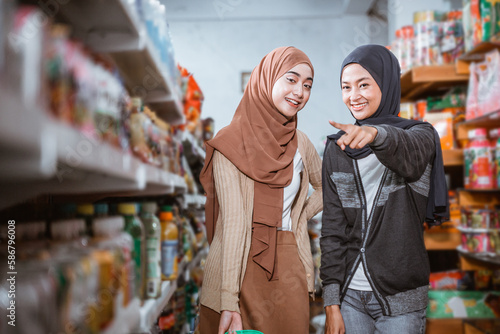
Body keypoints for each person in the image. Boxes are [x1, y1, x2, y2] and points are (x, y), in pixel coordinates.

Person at [320, 44, 449, 334]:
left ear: (387, 82)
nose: (354, 96)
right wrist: (331, 303)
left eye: (364, 84)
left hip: (401, 301)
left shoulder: (420, 135)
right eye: (346, 87)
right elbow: (332, 229)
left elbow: (409, 157)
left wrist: (375, 134)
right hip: (349, 297)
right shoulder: (338, 147)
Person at [198, 46, 323, 334]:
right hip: (236, 265)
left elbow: (325, 187)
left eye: (308, 85)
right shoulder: (229, 142)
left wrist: (299, 215)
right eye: (291, 79)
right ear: (266, 79)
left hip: (288, 262)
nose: (300, 92)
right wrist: (228, 299)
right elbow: (233, 223)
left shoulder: (300, 143)